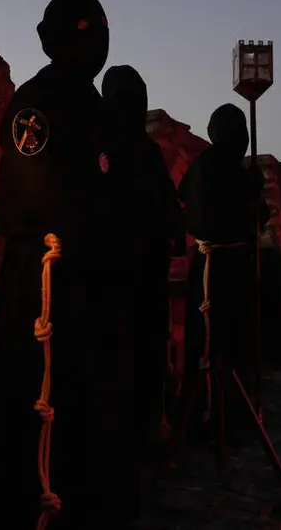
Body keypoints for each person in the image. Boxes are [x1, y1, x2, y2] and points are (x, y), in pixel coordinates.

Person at [0, 0, 137, 529]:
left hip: (93, 280)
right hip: (48, 278)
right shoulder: (36, 103)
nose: (95, 48)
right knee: (41, 398)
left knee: (91, 407)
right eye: (85, 36)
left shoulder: (96, 108)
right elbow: (38, 196)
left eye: (100, 36)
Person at [101, 65, 185, 462]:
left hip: (142, 277)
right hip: (118, 279)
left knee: (145, 358)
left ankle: (144, 432)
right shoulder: (107, 149)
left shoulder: (144, 151)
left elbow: (166, 207)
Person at [175, 103, 261, 443]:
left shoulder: (201, 164)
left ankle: (211, 413)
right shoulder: (234, 172)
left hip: (207, 265)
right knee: (223, 341)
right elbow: (252, 220)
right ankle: (220, 415)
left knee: (208, 342)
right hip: (229, 268)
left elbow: (184, 196)